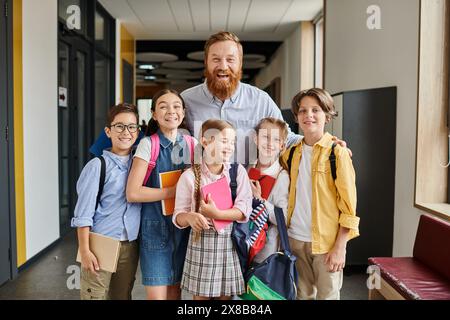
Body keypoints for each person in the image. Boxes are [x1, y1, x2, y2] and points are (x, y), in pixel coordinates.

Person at [280, 88, 360, 300]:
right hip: (295, 240)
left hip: (326, 244)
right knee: (301, 296)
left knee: (327, 296)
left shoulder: (338, 153)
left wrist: (340, 247)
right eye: (303, 110)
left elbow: (349, 207)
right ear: (296, 116)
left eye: (316, 110)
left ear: (327, 115)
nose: (309, 115)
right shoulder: (290, 153)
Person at [181, 31, 301, 165]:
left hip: (248, 183)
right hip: (201, 183)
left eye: (230, 59)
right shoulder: (186, 100)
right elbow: (170, 141)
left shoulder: (260, 100)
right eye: (216, 59)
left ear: (240, 63)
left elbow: (286, 138)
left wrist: (322, 143)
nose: (223, 66)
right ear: (206, 62)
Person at [172, 119, 253, 300]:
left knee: (225, 298)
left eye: (232, 142)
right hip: (201, 246)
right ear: (206, 141)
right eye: (224, 141)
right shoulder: (189, 176)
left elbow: (243, 210)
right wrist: (190, 217)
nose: (230, 147)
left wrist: (216, 214)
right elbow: (178, 216)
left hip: (229, 246)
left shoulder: (237, 172)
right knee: (200, 299)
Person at [126, 89, 194, 300]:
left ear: (183, 113)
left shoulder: (193, 145)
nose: (171, 111)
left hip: (183, 230)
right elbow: (133, 193)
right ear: (154, 114)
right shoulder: (149, 145)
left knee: (176, 293)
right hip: (155, 229)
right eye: (163, 106)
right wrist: (174, 191)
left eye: (176, 106)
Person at [72, 103, 141, 300]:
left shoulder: (140, 165)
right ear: (108, 131)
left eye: (131, 126)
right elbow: (83, 214)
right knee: (95, 295)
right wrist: (85, 251)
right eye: (119, 126)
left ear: (137, 131)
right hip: (101, 243)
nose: (126, 132)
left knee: (122, 296)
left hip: (130, 244)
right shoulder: (97, 166)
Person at [248, 117, 290, 264]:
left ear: (282, 146)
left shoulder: (282, 176)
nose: (269, 143)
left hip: (265, 253)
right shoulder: (247, 169)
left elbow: (283, 218)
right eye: (265, 137)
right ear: (256, 139)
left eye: (276, 140)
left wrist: (260, 200)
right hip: (242, 244)